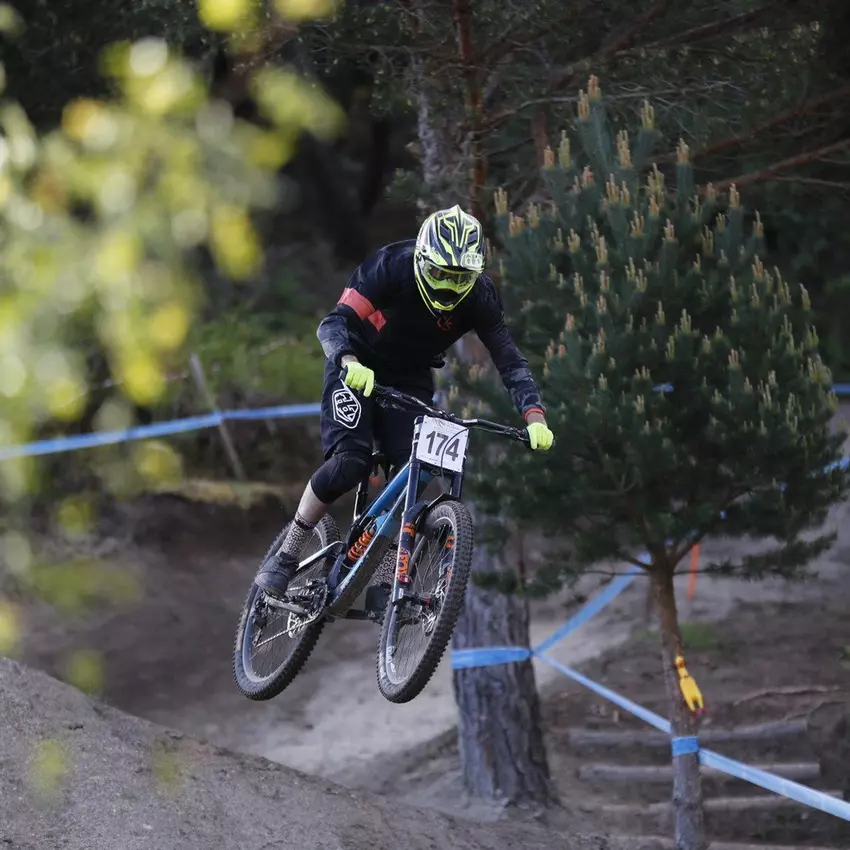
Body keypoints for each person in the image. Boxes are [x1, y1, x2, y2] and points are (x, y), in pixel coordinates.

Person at [255, 204, 554, 604]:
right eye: (440, 274)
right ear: (423, 260)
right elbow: (334, 322)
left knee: (413, 477)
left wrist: (534, 416)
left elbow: (510, 361)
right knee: (351, 463)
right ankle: (287, 554)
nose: (449, 287)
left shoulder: (480, 297)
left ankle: (384, 578)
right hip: (357, 362)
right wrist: (347, 361)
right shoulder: (391, 266)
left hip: (410, 376)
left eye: (460, 278)